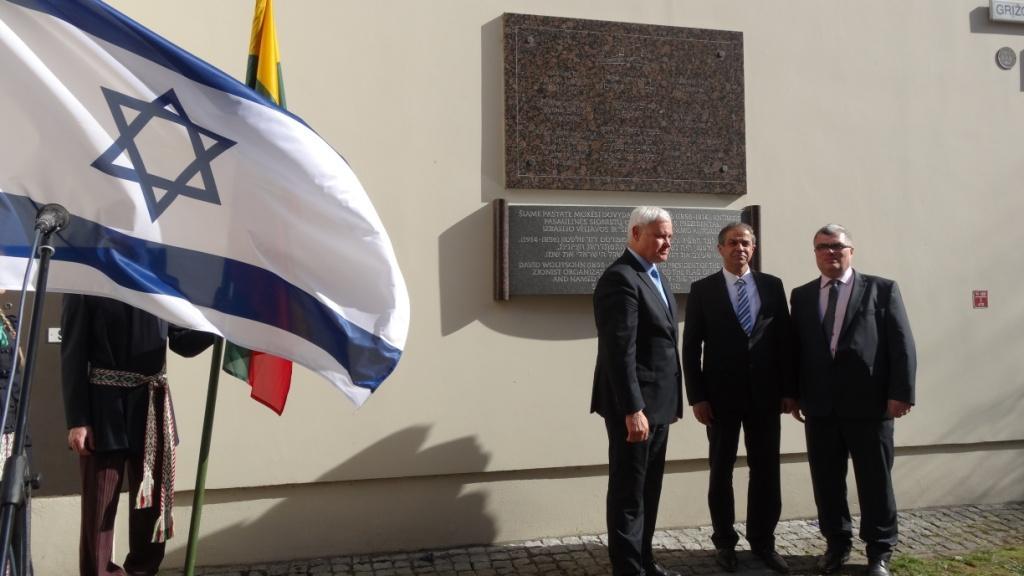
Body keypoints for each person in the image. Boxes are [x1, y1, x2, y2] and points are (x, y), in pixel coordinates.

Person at [789, 224, 916, 576]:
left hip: (870, 406)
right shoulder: (802, 295)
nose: (830, 252)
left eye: (837, 246)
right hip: (820, 407)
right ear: (815, 253)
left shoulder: (881, 289)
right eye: (822, 247)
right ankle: (836, 544)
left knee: (875, 482)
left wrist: (901, 393)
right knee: (827, 482)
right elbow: (795, 349)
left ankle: (879, 551)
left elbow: (902, 344)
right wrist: (793, 394)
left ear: (851, 251)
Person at [61, 295, 215, 576]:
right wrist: (78, 419)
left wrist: (217, 325)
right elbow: (73, 351)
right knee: (99, 513)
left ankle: (143, 572)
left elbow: (183, 342)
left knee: (151, 510)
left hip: (151, 407)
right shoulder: (88, 279)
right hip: (103, 411)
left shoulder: (158, 283)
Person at [681, 223, 794, 573]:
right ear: (720, 249)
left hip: (766, 398)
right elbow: (691, 348)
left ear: (753, 248)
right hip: (719, 399)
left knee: (766, 471)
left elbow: (786, 342)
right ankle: (725, 542)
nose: (739, 248)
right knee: (721, 471)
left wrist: (789, 390)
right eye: (732, 243)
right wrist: (697, 397)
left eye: (745, 243)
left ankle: (763, 541)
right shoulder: (703, 290)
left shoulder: (772, 286)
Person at [591, 206, 683, 576]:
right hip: (635, 408)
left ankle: (644, 560)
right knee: (629, 492)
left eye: (670, 236)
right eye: (660, 235)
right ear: (635, 234)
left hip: (658, 405)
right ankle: (628, 569)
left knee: (649, 489)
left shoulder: (654, 275)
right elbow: (619, 350)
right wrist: (633, 409)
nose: (667, 243)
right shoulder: (621, 278)